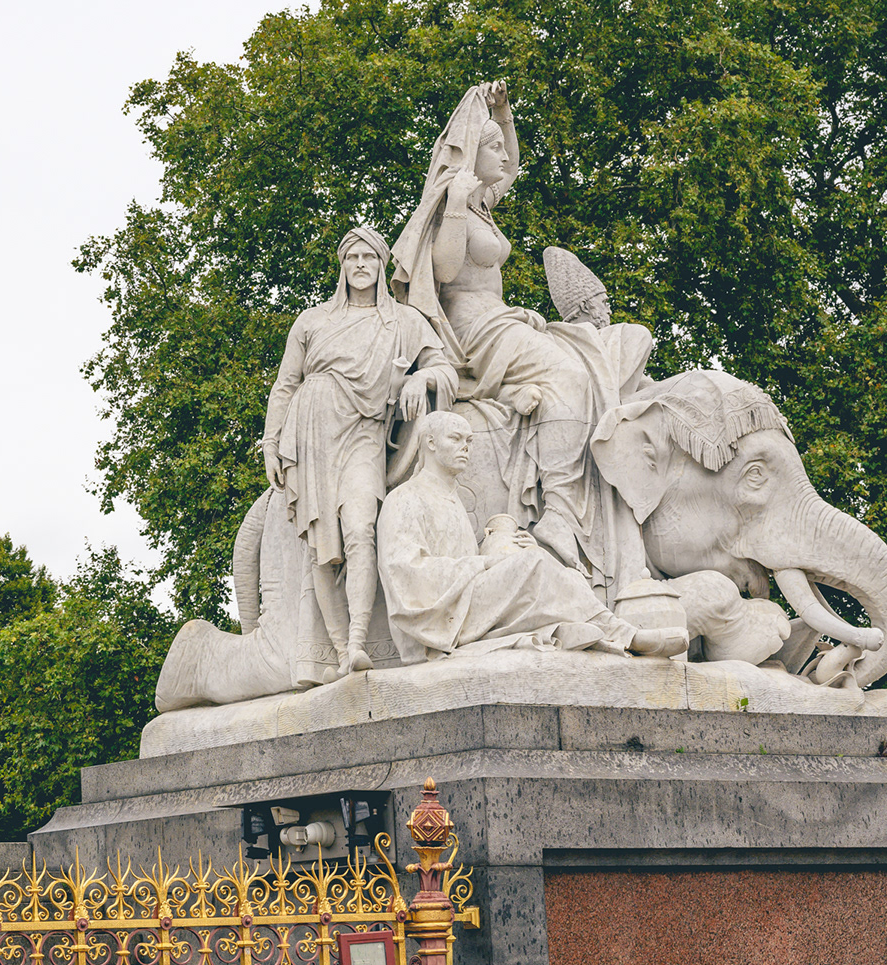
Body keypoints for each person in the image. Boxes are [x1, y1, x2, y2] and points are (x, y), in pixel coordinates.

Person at [390, 82, 652, 587]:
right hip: (474, 328)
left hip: (502, 319)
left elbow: (511, 167)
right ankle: (560, 511)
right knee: (571, 375)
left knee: (593, 357)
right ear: (471, 154)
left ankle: (531, 421)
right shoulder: (455, 203)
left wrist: (505, 114)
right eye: (490, 146)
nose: (502, 154)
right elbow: (444, 270)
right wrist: (457, 203)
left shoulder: (484, 201)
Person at [261, 225, 452, 677]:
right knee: (319, 544)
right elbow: (285, 385)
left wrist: (420, 379)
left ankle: (359, 641)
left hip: (365, 432)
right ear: (342, 266)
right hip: (311, 431)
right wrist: (271, 443)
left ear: (382, 266)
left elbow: (445, 369)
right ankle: (339, 649)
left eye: (369, 257)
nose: (361, 265)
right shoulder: (312, 321)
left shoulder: (405, 321)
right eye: (352, 257)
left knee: (361, 528)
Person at [377, 411, 686, 663]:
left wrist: (503, 554)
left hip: (465, 604)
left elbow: (466, 566)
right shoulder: (404, 499)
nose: (466, 447)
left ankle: (608, 635)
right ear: (430, 443)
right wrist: (488, 564)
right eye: (455, 439)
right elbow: (406, 575)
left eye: (469, 440)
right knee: (535, 564)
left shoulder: (452, 499)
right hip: (438, 620)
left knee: (560, 573)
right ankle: (626, 636)